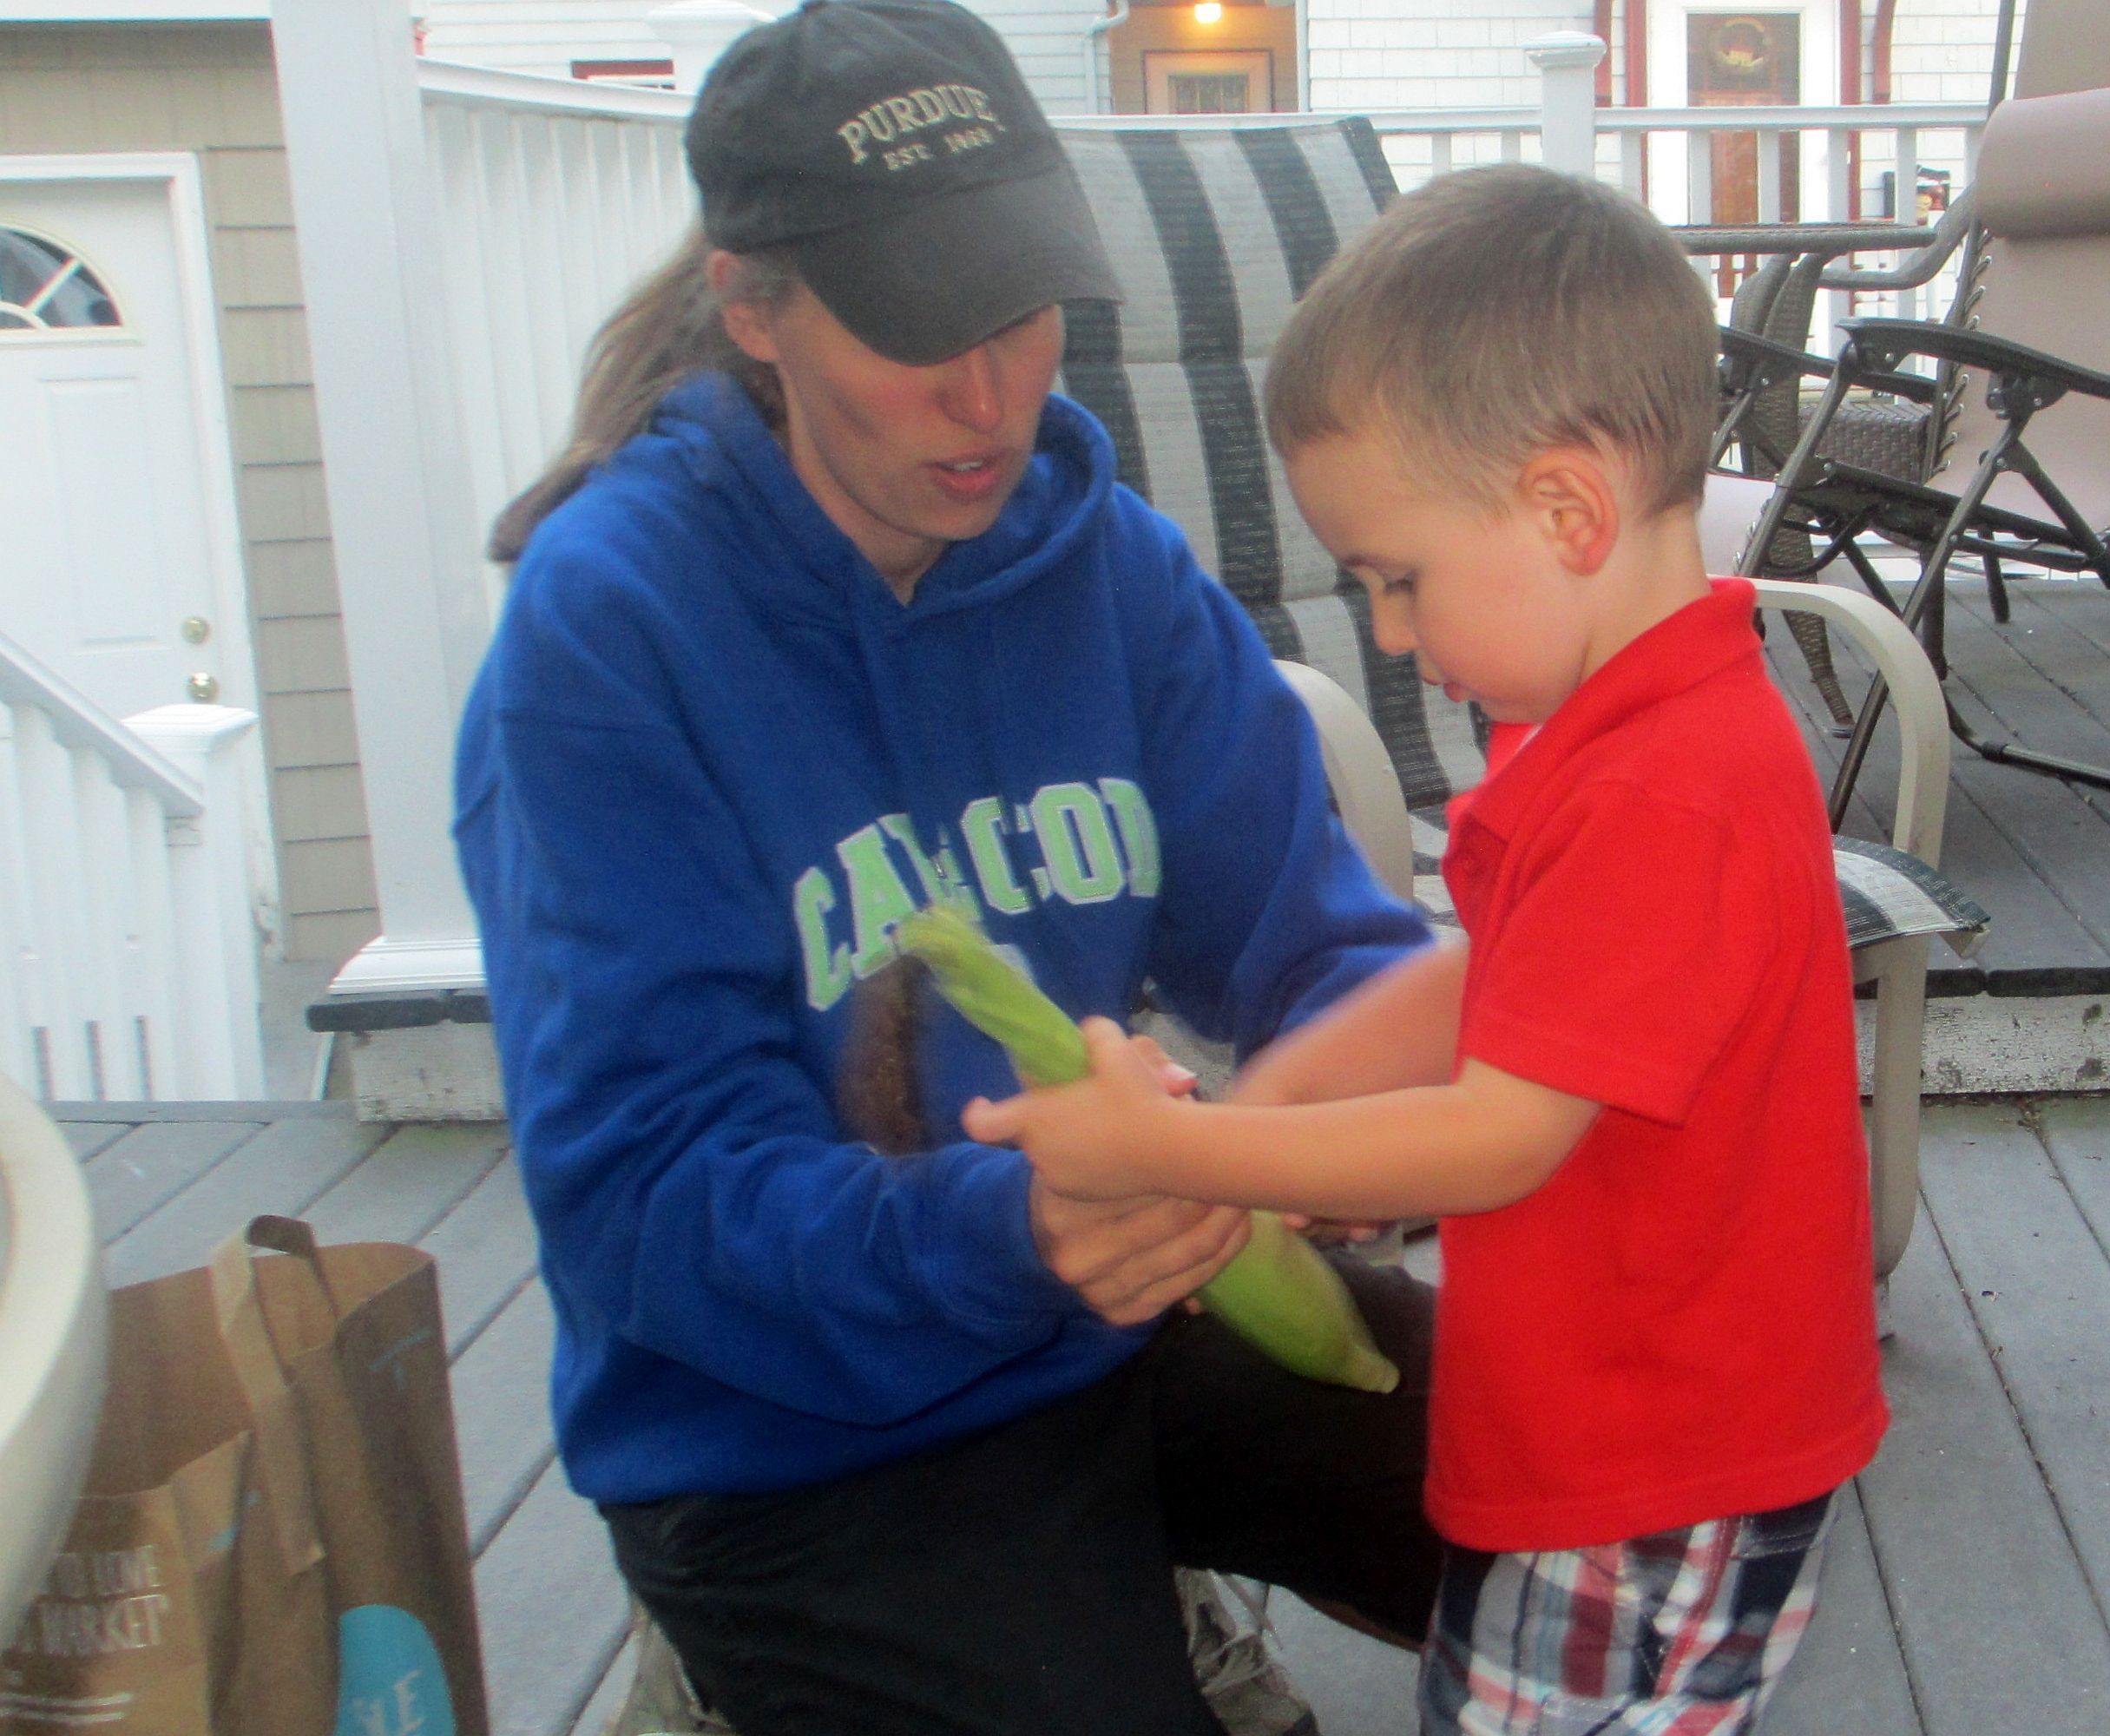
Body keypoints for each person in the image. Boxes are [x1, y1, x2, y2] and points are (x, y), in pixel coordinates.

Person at [454, 2, 1441, 1732]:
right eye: (915, 332)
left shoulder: (1109, 565)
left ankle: (1128, 1571)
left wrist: (1337, 1107)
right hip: (789, 1434)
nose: (988, 395)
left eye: (1018, 308)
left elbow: (1318, 943)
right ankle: (740, 1677)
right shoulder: (607, 636)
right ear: (754, 308)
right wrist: (1010, 1230)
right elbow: (646, 1203)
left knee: (1597, 1476)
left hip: (1122, 1313)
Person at [967, 165, 1890, 1735]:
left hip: (1651, 1466)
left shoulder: (1663, 785)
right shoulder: (1611, 730)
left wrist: (1176, 1152)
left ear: (1564, 511)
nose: (1390, 634)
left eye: (1399, 580)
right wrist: (1269, 1113)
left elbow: (1498, 1134)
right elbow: (1497, 980)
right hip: (1602, 1427)